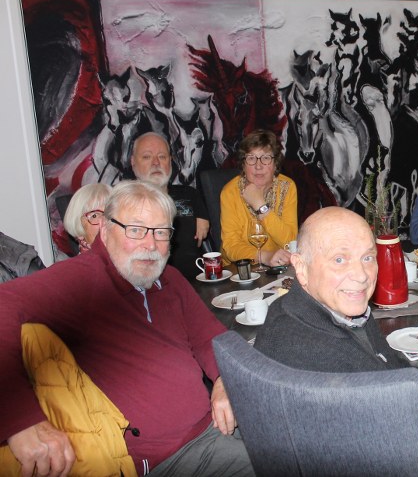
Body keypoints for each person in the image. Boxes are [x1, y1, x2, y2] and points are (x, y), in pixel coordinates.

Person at [0, 181, 253, 476]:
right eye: (136, 230)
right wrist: (21, 422)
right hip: (171, 457)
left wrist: (223, 380)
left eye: (161, 232)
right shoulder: (82, 279)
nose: (151, 245)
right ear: (106, 231)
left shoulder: (169, 278)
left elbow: (210, 336)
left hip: (215, 425)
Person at [254, 207, 418, 477]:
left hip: (392, 447)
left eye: (367, 257)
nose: (361, 275)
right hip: (395, 461)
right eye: (340, 259)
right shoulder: (321, 362)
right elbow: (391, 464)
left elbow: (386, 356)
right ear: (301, 267)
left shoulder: (308, 307)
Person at [130, 132, 210, 278]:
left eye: (162, 157)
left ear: (170, 161)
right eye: (147, 157)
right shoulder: (123, 204)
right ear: (133, 162)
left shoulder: (190, 194)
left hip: (196, 281)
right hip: (150, 284)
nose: (156, 163)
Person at [220, 129, 298, 267]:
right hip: (239, 268)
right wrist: (264, 257)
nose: (258, 166)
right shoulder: (230, 192)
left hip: (279, 266)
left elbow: (290, 242)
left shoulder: (287, 187)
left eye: (266, 158)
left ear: (275, 164)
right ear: (243, 165)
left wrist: (261, 206)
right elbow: (230, 246)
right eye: (251, 158)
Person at [62, 183, 111, 254]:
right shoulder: (82, 261)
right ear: (79, 225)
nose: (105, 221)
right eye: (94, 216)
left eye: (110, 212)